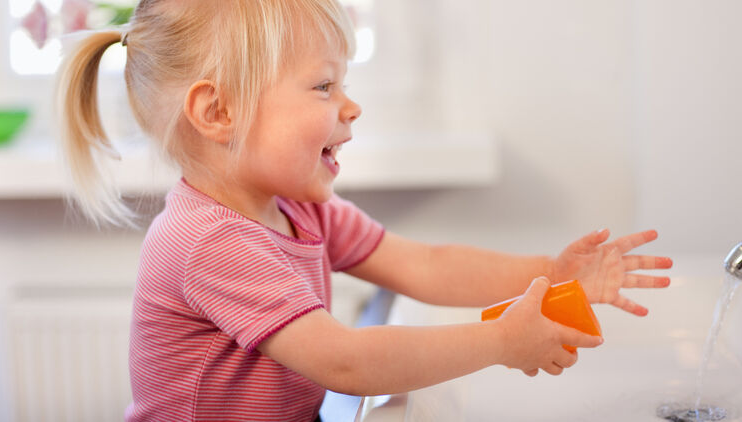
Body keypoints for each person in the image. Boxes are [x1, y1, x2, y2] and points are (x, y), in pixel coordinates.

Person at [55, 1, 673, 421]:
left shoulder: (301, 209)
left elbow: (427, 265)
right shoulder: (209, 241)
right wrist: (501, 341)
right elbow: (345, 362)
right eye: (324, 86)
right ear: (218, 113)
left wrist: (552, 272)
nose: (351, 107)